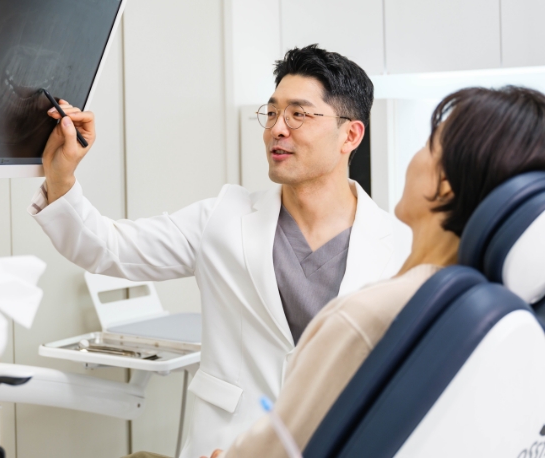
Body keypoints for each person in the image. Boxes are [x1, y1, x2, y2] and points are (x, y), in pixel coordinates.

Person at [28, 45, 411, 457]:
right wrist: (61, 175)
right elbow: (107, 248)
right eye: (272, 112)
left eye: (298, 114)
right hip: (229, 445)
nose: (277, 129)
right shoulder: (222, 219)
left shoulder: (400, 247)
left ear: (350, 135)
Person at [179, 85, 544, 457]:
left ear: (445, 184)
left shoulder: (365, 317)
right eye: (272, 114)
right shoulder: (499, 315)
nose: (279, 128)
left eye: (428, 144)